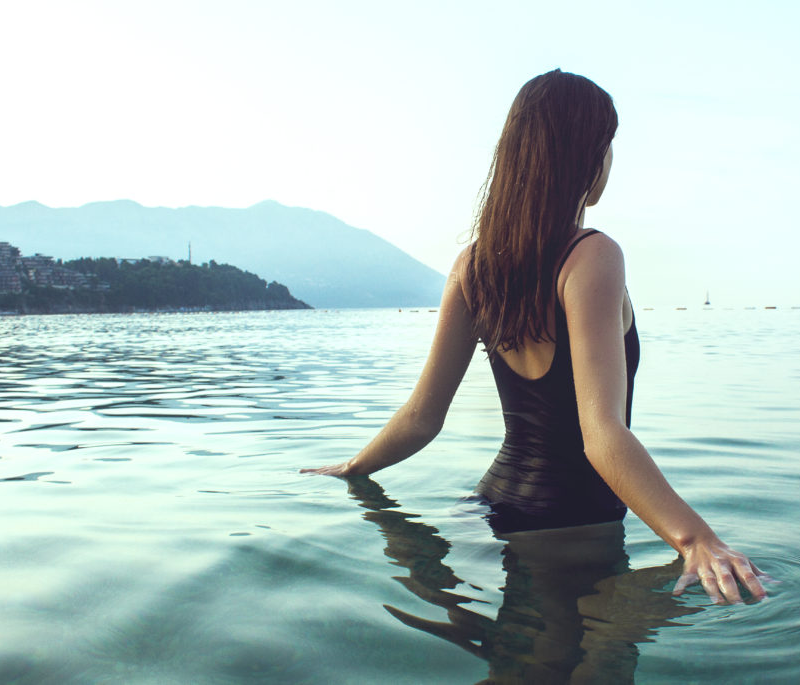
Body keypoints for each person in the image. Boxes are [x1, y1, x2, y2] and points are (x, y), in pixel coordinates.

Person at [302, 69, 766, 605]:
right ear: (586, 156)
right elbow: (602, 434)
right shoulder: (592, 256)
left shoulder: (472, 266)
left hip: (487, 508)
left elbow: (422, 416)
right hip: (571, 525)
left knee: (511, 658)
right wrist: (696, 540)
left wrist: (356, 467)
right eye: (608, 145)